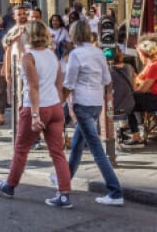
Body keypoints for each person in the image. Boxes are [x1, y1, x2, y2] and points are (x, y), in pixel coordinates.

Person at [0, 20, 74, 208]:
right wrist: (58, 104)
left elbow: (34, 87)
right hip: (54, 106)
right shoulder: (51, 55)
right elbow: (59, 83)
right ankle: (64, 194)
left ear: (30, 35)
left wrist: (35, 115)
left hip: (36, 107)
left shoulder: (29, 57)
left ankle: (10, 185)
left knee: (21, 149)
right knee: (57, 152)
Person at [63, 19, 124, 205]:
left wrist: (60, 102)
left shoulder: (75, 55)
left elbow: (69, 83)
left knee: (96, 149)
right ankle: (64, 180)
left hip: (82, 102)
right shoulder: (98, 53)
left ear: (74, 35)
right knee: (77, 144)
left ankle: (115, 191)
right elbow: (107, 80)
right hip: (96, 102)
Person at [122, 34, 157, 147]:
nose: (139, 57)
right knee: (130, 100)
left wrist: (135, 80)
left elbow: (142, 89)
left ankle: (136, 136)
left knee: (128, 101)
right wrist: (138, 81)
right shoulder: (153, 63)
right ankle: (136, 133)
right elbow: (140, 80)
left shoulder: (155, 66)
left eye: (140, 54)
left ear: (144, 55)